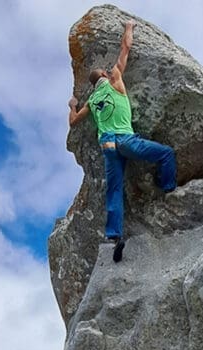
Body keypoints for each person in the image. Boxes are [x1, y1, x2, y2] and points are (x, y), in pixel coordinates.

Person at [68, 19, 177, 262]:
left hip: (107, 146)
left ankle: (115, 236)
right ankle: (167, 188)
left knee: (114, 191)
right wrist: (128, 28)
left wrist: (72, 105)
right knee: (166, 153)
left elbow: (74, 121)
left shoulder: (93, 101)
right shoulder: (115, 80)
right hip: (125, 140)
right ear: (106, 75)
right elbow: (125, 49)